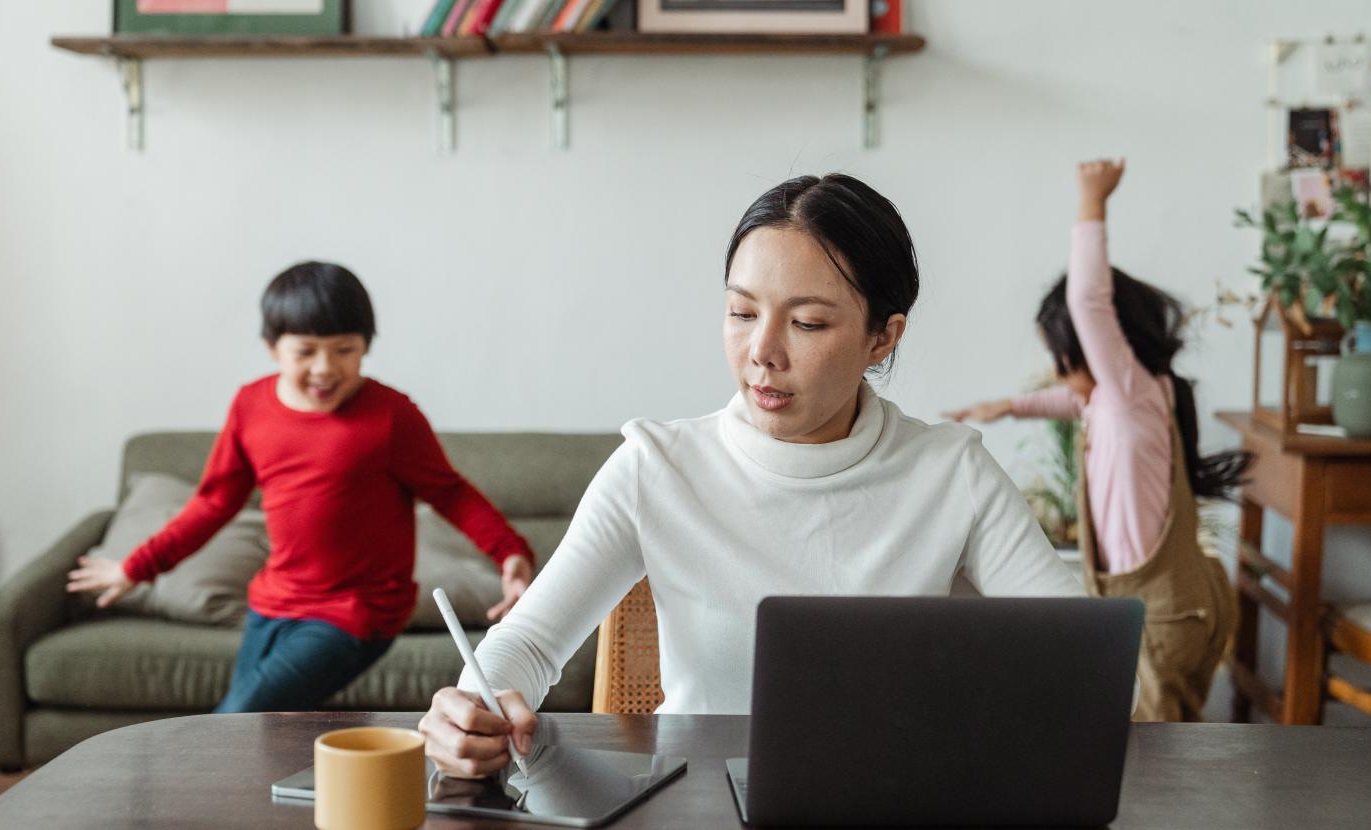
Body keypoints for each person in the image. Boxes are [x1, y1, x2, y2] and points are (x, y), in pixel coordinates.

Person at [419, 174, 1083, 778]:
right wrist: (472, 706)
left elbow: (1077, 656)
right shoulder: (657, 467)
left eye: (807, 323)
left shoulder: (950, 471)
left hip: (896, 799)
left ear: (882, 338)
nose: (761, 352)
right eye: (741, 313)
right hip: (695, 806)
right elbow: (530, 642)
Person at [68, 262, 535, 713]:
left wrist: (509, 553)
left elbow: (450, 492)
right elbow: (213, 502)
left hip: (357, 612)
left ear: (366, 346)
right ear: (273, 347)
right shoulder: (250, 406)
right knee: (259, 735)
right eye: (306, 351)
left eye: (344, 350)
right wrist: (138, 567)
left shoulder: (391, 416)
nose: (325, 368)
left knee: (235, 722)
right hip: (273, 602)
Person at [946, 159, 1249, 721]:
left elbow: (1087, 301)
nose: (1060, 378)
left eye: (1061, 360)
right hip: (1166, 605)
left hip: (1162, 615)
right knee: (1147, 743)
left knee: (1154, 753)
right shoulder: (1132, 400)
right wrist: (1009, 406)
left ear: (1098, 349)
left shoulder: (1129, 391)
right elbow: (1072, 401)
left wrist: (1093, 201)